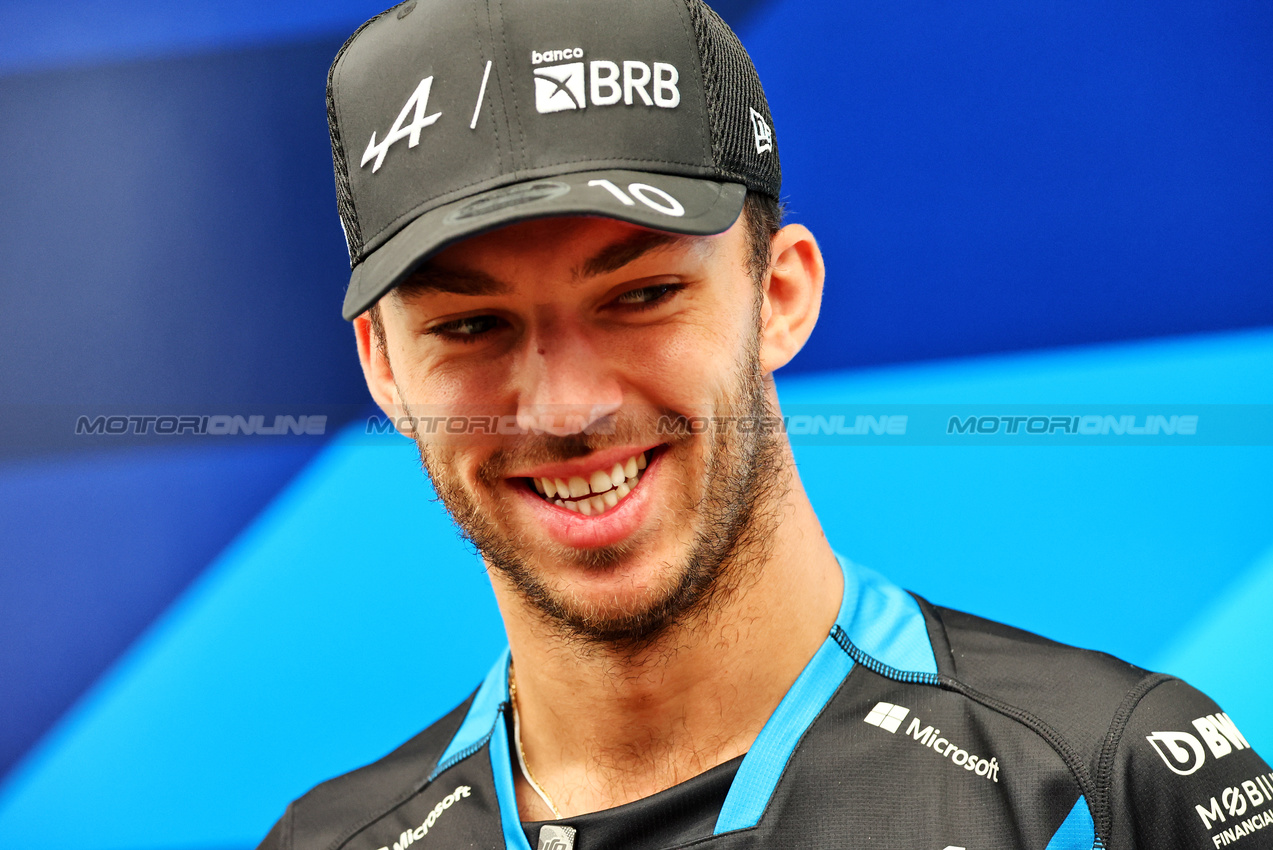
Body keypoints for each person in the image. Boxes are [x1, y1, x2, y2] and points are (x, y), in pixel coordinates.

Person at [258, 1, 1271, 848]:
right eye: (472, 325)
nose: (567, 408)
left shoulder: (1102, 783)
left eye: (641, 296)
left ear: (778, 294)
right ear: (383, 369)